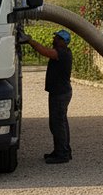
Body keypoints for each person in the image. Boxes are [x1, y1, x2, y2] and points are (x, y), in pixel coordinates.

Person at [19, 29, 73, 164]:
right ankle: (62, 150)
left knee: (57, 124)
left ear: (62, 42)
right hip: (59, 92)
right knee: (60, 123)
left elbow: (44, 51)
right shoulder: (64, 52)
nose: (54, 39)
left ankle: (62, 154)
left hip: (60, 94)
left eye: (57, 38)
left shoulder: (61, 53)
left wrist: (29, 40)